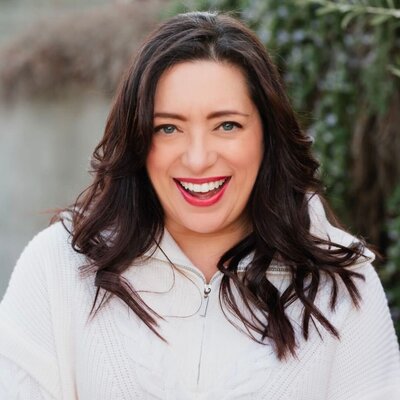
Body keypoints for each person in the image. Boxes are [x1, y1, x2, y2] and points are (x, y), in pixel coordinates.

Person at [0, 10, 399, 400]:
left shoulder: (344, 286)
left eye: (227, 125)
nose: (197, 158)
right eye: (168, 128)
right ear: (139, 140)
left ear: (267, 135)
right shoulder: (57, 266)